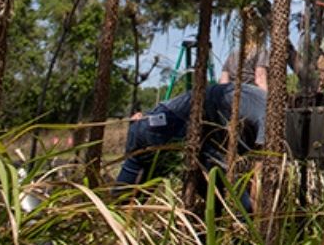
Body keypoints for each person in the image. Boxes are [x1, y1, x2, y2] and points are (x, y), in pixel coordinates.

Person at [115, 82, 267, 210]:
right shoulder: (269, 116)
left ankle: (111, 234)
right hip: (172, 127)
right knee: (223, 192)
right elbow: (259, 174)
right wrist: (256, 210)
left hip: (149, 125)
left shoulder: (259, 99)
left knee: (125, 202)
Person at [218, 17, 269, 92]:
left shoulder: (233, 54)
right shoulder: (261, 51)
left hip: (231, 94)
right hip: (251, 94)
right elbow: (260, 80)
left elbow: (223, 82)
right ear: (261, 34)